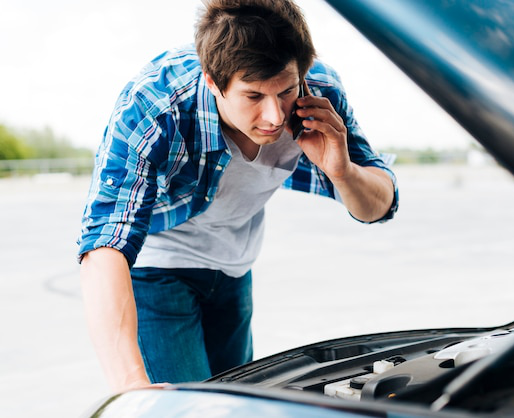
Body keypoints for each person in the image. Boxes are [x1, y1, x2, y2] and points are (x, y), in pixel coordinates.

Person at [78, 0, 398, 393]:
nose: (275, 117)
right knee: (190, 407)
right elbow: (104, 242)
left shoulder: (319, 91)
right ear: (213, 81)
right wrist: (129, 384)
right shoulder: (155, 104)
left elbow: (380, 206)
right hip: (156, 266)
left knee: (236, 403)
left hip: (234, 265)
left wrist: (343, 172)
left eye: (284, 91)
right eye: (252, 97)